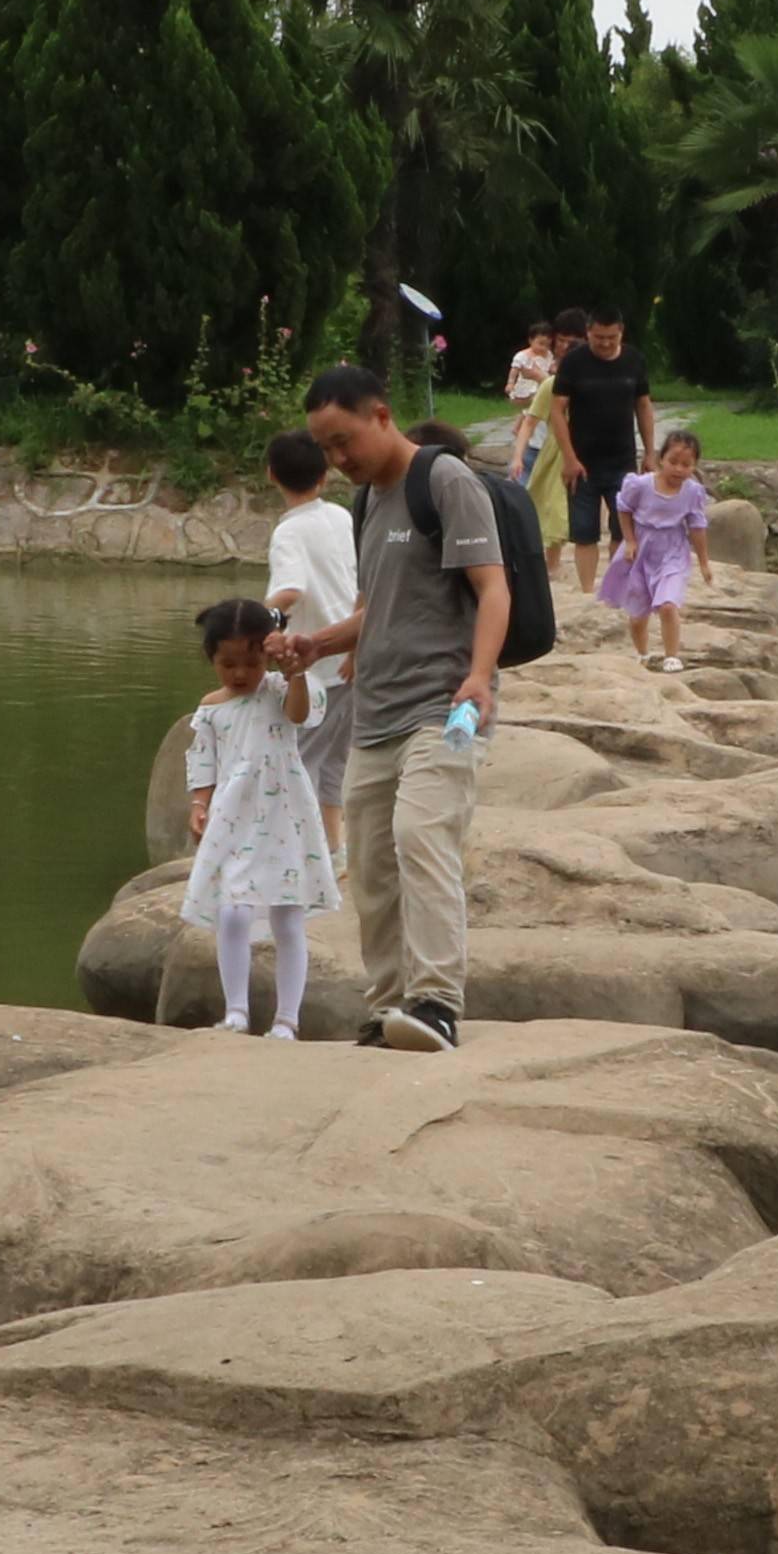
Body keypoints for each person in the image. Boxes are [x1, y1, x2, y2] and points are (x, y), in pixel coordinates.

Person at [269, 361, 507, 1053]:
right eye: (326, 449)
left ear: (381, 416)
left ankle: (436, 1004)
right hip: (375, 711)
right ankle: (387, 1007)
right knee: (370, 863)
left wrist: (482, 677)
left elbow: (493, 589)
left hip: (444, 706)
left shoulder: (444, 482)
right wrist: (314, 643)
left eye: (345, 441)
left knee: (422, 838)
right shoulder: (367, 504)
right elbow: (372, 611)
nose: (338, 460)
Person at [174, 596, 334, 1038]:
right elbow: (202, 763)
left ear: (267, 655)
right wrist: (199, 805)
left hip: (285, 815)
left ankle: (287, 1019)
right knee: (233, 912)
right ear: (212, 660)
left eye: (250, 662)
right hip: (234, 816)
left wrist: (295, 672)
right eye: (228, 664)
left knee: (287, 915)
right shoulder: (211, 708)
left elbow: (302, 715)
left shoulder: (280, 692)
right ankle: (236, 1011)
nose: (240, 674)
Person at [260, 425, 360, 828]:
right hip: (354, 653)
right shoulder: (341, 515)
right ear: (324, 475)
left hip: (316, 666)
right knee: (335, 762)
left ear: (271, 474)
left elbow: (289, 588)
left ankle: (298, 852)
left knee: (297, 761)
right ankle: (333, 849)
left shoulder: (288, 531)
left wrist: (257, 622)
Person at [597, 422, 713, 670]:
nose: (679, 469)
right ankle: (643, 653)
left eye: (686, 465)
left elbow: (697, 526)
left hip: (672, 550)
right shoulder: (640, 485)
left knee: (668, 604)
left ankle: (672, 655)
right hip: (642, 548)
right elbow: (624, 508)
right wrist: (629, 540)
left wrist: (703, 561)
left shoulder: (692, 492)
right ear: (661, 459)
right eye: (673, 462)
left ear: (694, 466)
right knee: (638, 611)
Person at [551, 304, 651, 589]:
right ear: (588, 333)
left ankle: (616, 587)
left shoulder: (634, 360)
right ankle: (586, 590)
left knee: (623, 530)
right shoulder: (573, 362)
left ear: (621, 333)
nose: (605, 343)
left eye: (611, 337)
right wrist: (569, 458)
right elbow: (557, 410)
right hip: (582, 461)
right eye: (599, 338)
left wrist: (651, 453)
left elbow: (643, 405)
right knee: (584, 532)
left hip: (623, 460)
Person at [496, 310, 569, 551]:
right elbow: (525, 408)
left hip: (555, 448)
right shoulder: (531, 364)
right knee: (520, 489)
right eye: (562, 341)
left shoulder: (554, 372)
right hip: (535, 442)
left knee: (551, 501)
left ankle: (546, 553)